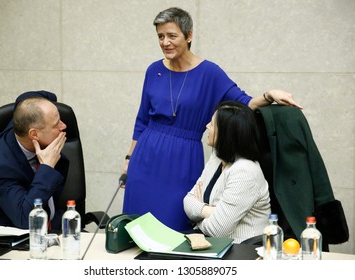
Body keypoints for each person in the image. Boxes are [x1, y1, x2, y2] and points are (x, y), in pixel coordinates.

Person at [122, 7, 301, 232]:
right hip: (145, 158)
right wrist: (130, 158)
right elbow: (141, 121)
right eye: (160, 36)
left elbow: (243, 102)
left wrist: (269, 95)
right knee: (138, 230)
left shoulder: (210, 72)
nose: (165, 42)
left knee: (175, 229)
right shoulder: (153, 70)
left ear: (189, 36)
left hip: (183, 160)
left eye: (172, 35)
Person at [183, 101, 271, 243]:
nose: (207, 126)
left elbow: (217, 230)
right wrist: (209, 211)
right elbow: (187, 200)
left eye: (212, 124)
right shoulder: (217, 157)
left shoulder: (245, 171)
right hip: (213, 246)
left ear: (226, 134)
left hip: (242, 251)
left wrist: (198, 215)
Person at [0, 91, 69, 230]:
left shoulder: (24, 118)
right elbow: (26, 219)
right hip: (16, 241)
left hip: (54, 225)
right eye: (56, 124)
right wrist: (46, 167)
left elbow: (27, 98)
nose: (63, 126)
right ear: (34, 134)